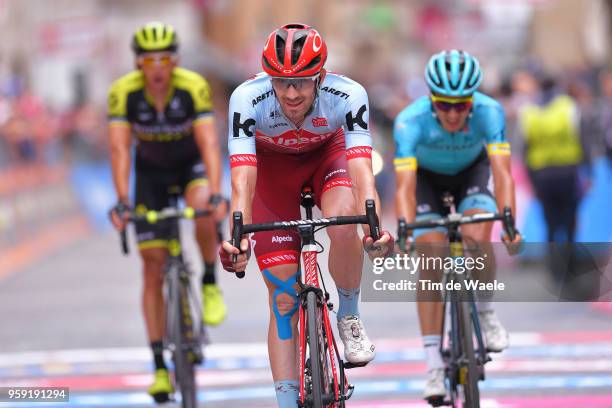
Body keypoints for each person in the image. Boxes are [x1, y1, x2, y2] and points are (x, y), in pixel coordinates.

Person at [219, 24, 393, 408]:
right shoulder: (247, 99)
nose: (292, 93)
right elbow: (243, 177)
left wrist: (374, 227)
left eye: (301, 82)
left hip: (326, 160)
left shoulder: (347, 95)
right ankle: (285, 402)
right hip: (272, 174)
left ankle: (348, 315)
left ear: (321, 76)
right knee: (283, 300)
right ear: (269, 77)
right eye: (281, 83)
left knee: (346, 218)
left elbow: (362, 169)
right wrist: (238, 234)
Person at [107, 22, 227, 402]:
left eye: (164, 58)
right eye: (148, 60)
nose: (157, 67)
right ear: (138, 63)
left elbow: (208, 143)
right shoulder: (123, 93)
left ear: (174, 60)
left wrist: (218, 192)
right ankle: (160, 366)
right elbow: (120, 150)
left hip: (189, 166)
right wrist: (123, 200)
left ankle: (208, 282)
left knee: (204, 209)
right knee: (152, 266)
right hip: (151, 176)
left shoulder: (193, 86)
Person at [393, 50, 522, 401]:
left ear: (472, 101)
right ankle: (434, 364)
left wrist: (508, 221)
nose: (452, 113)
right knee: (431, 259)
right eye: (444, 104)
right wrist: (405, 228)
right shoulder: (410, 120)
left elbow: (502, 173)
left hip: (472, 174)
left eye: (461, 105)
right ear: (431, 97)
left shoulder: (490, 111)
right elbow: (404, 187)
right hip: (426, 181)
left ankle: (486, 311)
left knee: (478, 235)